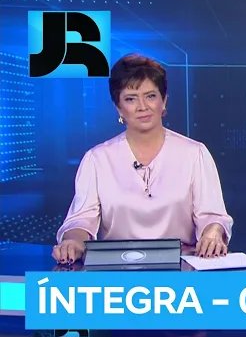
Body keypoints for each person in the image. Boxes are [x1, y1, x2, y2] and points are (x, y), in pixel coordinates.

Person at [52, 53, 233, 264]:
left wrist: (213, 233)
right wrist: (72, 242)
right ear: (118, 107)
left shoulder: (195, 154)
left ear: (164, 101)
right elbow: (81, 220)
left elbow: (212, 216)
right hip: (116, 269)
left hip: (181, 268)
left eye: (150, 96)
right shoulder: (97, 159)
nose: (142, 106)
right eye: (131, 98)